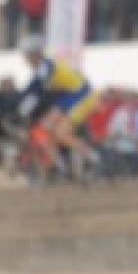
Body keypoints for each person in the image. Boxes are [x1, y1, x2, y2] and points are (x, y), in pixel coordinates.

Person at [17, 36, 100, 178]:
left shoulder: (46, 67)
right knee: (44, 128)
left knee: (60, 133)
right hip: (70, 97)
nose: (26, 60)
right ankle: (61, 168)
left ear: (36, 54)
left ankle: (94, 158)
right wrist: (20, 107)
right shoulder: (44, 67)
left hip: (82, 96)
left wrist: (20, 110)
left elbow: (35, 90)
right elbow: (32, 89)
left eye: (27, 56)